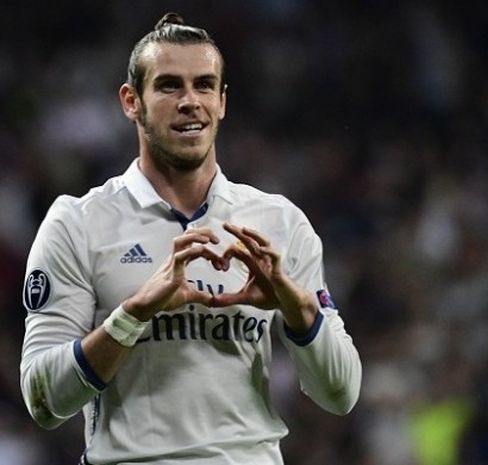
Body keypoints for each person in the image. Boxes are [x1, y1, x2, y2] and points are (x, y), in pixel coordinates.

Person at [19, 12, 362, 465]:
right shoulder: (78, 223)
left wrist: (297, 308)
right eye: (168, 86)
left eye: (204, 85)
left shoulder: (278, 222)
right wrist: (134, 313)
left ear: (222, 101)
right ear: (131, 101)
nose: (189, 101)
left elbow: (341, 394)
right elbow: (43, 400)